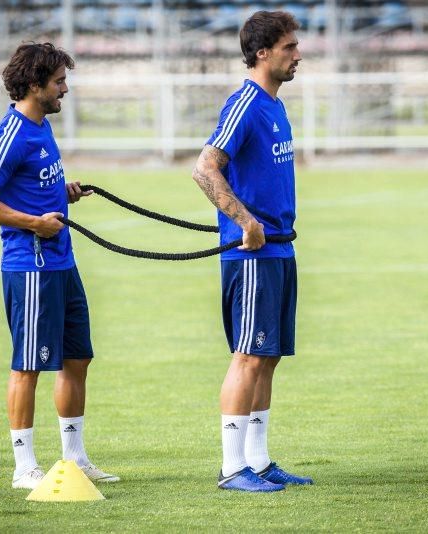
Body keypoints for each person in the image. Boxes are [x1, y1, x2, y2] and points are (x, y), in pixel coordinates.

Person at [0, 42, 118, 490]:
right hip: (30, 267)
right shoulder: (12, 134)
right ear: (34, 86)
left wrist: (60, 193)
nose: (65, 90)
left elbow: (29, 186)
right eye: (59, 82)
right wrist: (34, 221)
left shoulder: (41, 127)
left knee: (77, 358)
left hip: (61, 263)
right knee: (28, 365)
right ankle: (25, 466)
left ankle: (73, 459)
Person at [191, 11, 313, 492]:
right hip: (251, 256)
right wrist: (244, 221)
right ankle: (231, 468)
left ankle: (258, 461)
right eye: (289, 47)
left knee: (269, 357)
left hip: (279, 249)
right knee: (247, 356)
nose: (297, 55)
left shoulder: (274, 104)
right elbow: (204, 168)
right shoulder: (244, 104)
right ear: (262, 52)